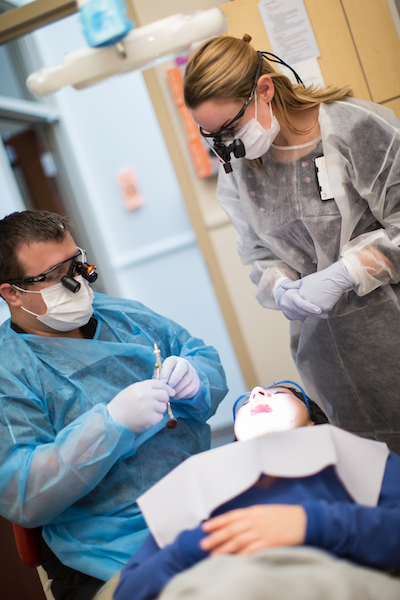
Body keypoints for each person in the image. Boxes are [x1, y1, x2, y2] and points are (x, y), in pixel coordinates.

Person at [183, 34, 400, 454]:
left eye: (230, 127)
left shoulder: (355, 129)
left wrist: (347, 272)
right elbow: (258, 252)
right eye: (212, 135)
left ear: (264, 89)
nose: (229, 145)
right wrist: (279, 285)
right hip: (332, 365)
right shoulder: (242, 170)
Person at [0, 210, 228, 600]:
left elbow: (200, 354)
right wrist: (110, 425)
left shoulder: (122, 315)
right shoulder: (10, 371)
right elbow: (23, 491)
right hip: (111, 550)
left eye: (76, 263)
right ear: (13, 293)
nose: (77, 281)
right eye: (55, 275)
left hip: (202, 508)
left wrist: (195, 377)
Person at [102, 382, 400, 600]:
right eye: (242, 403)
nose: (256, 392)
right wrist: (196, 546)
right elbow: (129, 591)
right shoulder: (199, 479)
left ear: (313, 422)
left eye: (281, 391)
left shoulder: (350, 453)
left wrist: (312, 524)